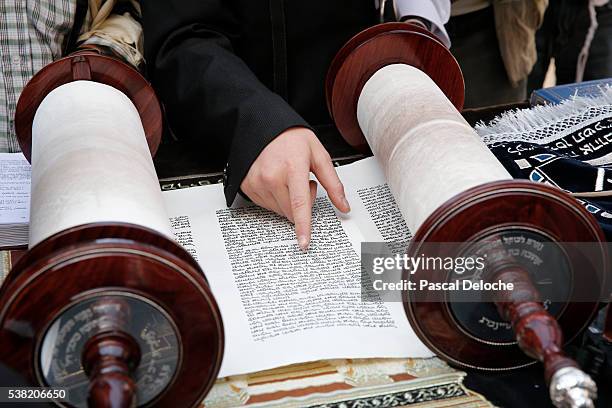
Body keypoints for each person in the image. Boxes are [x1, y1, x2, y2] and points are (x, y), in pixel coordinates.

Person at [141, 0, 451, 250]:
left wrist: (414, 23)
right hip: (228, 122)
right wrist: (255, 121)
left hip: (363, 107)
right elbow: (180, 35)